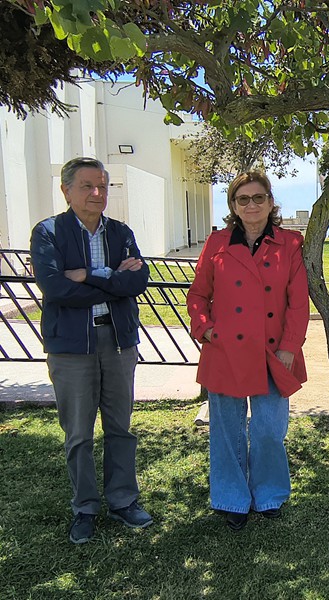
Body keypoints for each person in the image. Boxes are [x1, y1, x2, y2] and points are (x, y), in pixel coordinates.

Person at [30, 157, 153, 544]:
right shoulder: (49, 232)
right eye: (87, 186)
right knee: (79, 433)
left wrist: (89, 274)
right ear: (66, 190)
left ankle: (123, 501)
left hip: (118, 342)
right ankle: (84, 507)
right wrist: (113, 281)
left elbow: (138, 282)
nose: (97, 193)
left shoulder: (120, 232)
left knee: (120, 428)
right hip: (71, 346)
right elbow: (56, 288)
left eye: (102, 186)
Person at [187, 171, 309, 531]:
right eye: (243, 199)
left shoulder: (290, 243)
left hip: (274, 352)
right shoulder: (217, 243)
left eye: (258, 197)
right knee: (227, 431)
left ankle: (268, 494)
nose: (251, 204)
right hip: (226, 350)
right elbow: (198, 295)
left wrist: (290, 347)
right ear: (233, 206)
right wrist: (207, 329)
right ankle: (232, 498)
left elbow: (298, 302)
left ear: (271, 202)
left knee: (269, 429)